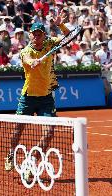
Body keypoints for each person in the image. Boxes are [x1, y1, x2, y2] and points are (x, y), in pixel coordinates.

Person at [4, 12, 70, 175]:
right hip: (28, 97)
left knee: (49, 132)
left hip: (46, 97)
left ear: (43, 35)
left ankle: (32, 160)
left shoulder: (49, 44)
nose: (35, 37)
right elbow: (26, 58)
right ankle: (11, 154)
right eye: (33, 34)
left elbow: (68, 36)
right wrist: (33, 61)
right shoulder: (27, 50)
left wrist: (60, 25)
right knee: (18, 129)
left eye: (38, 34)